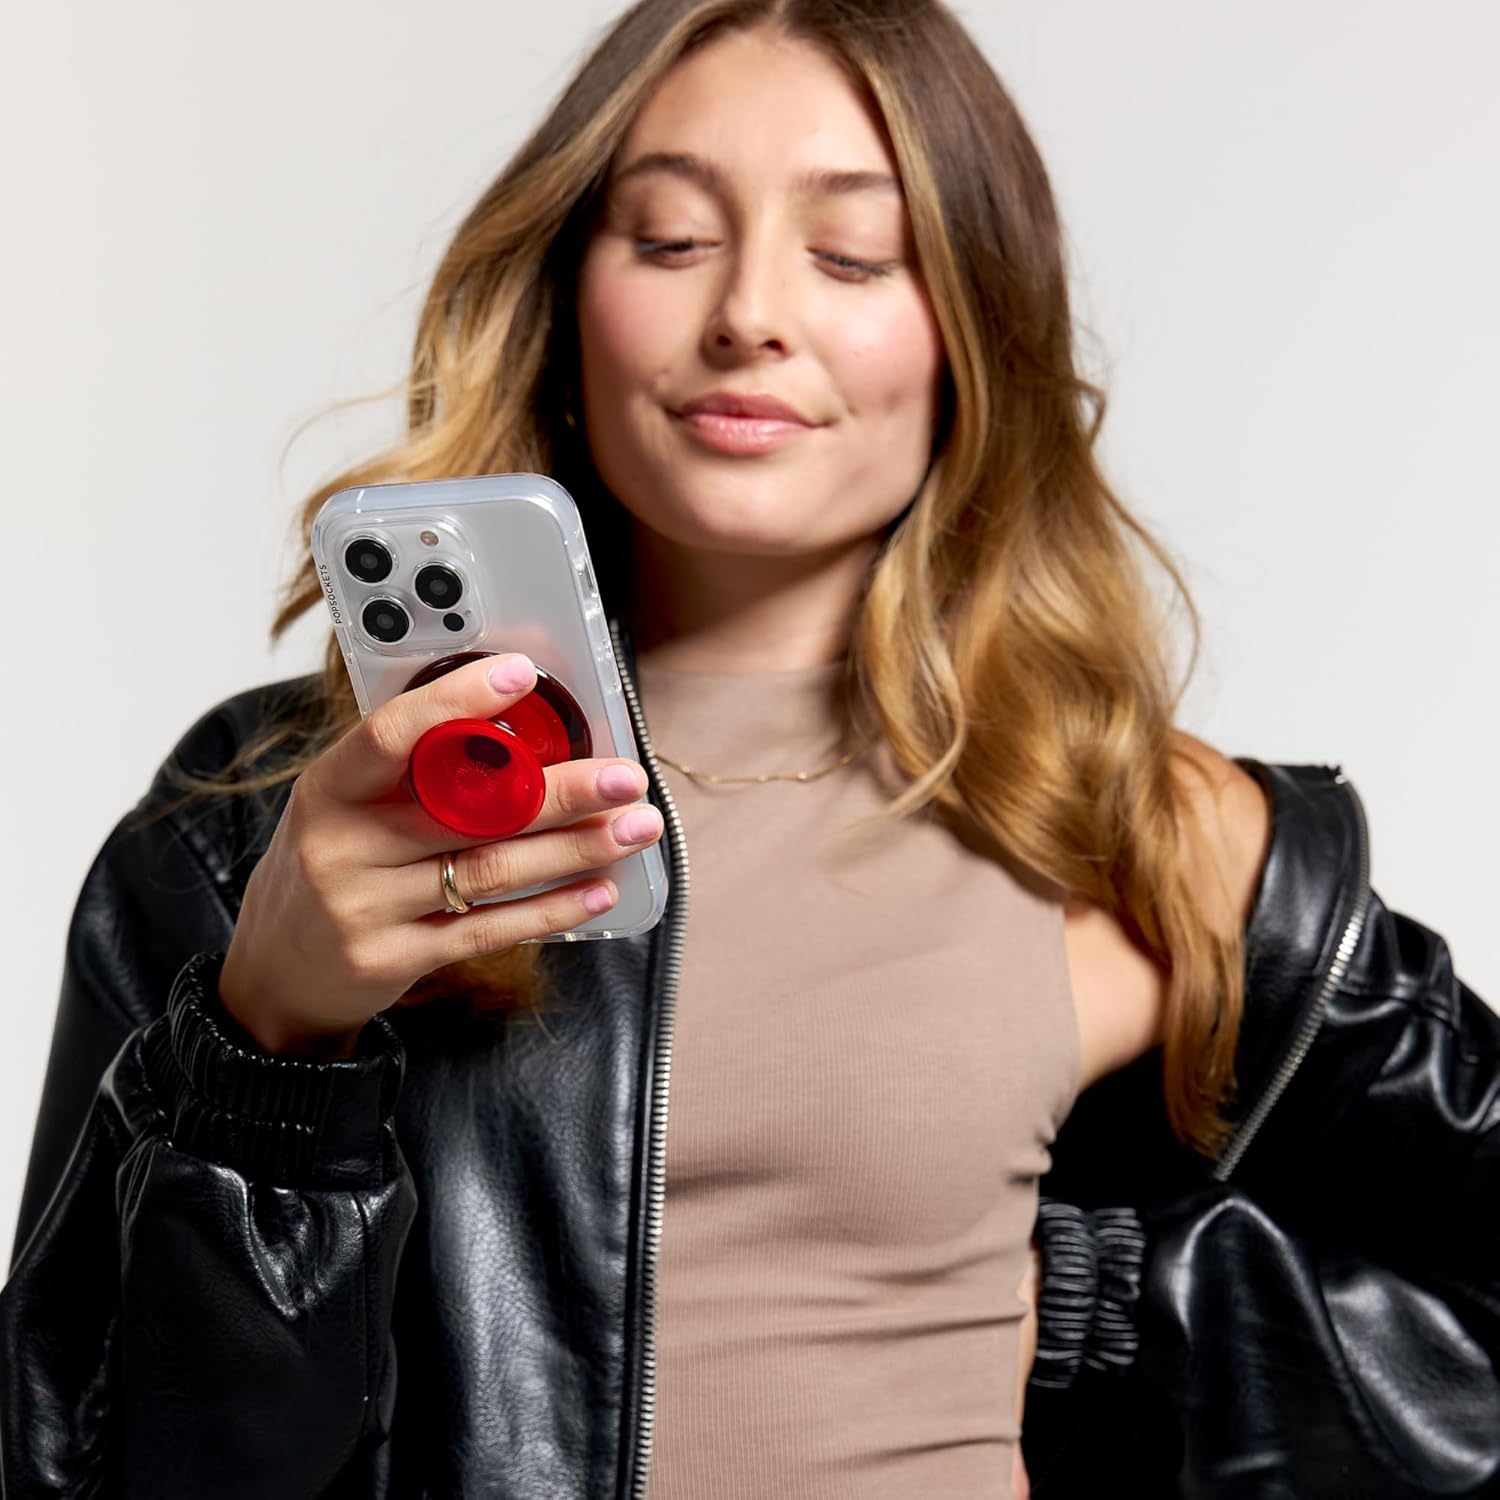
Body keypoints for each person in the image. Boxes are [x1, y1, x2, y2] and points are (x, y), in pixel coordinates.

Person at [2, 1, 1495, 1497]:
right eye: (667, 239)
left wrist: (1119, 1309)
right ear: (566, 298)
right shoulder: (272, 828)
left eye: (852, 255)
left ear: (977, 328)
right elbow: (83, 1459)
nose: (751, 317)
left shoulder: (1121, 821)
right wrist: (271, 1048)